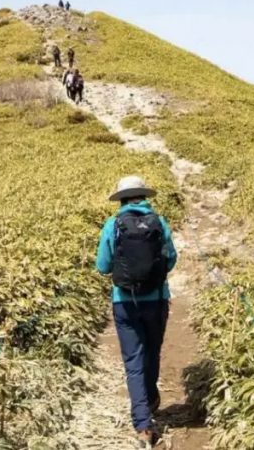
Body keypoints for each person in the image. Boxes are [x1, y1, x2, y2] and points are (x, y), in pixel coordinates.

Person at [95, 176, 177, 447]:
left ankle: (142, 426)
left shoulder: (112, 224)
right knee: (152, 352)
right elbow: (171, 260)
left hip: (124, 301)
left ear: (121, 199)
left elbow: (103, 266)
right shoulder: (159, 222)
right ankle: (152, 398)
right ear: (143, 197)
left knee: (133, 361)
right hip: (156, 299)